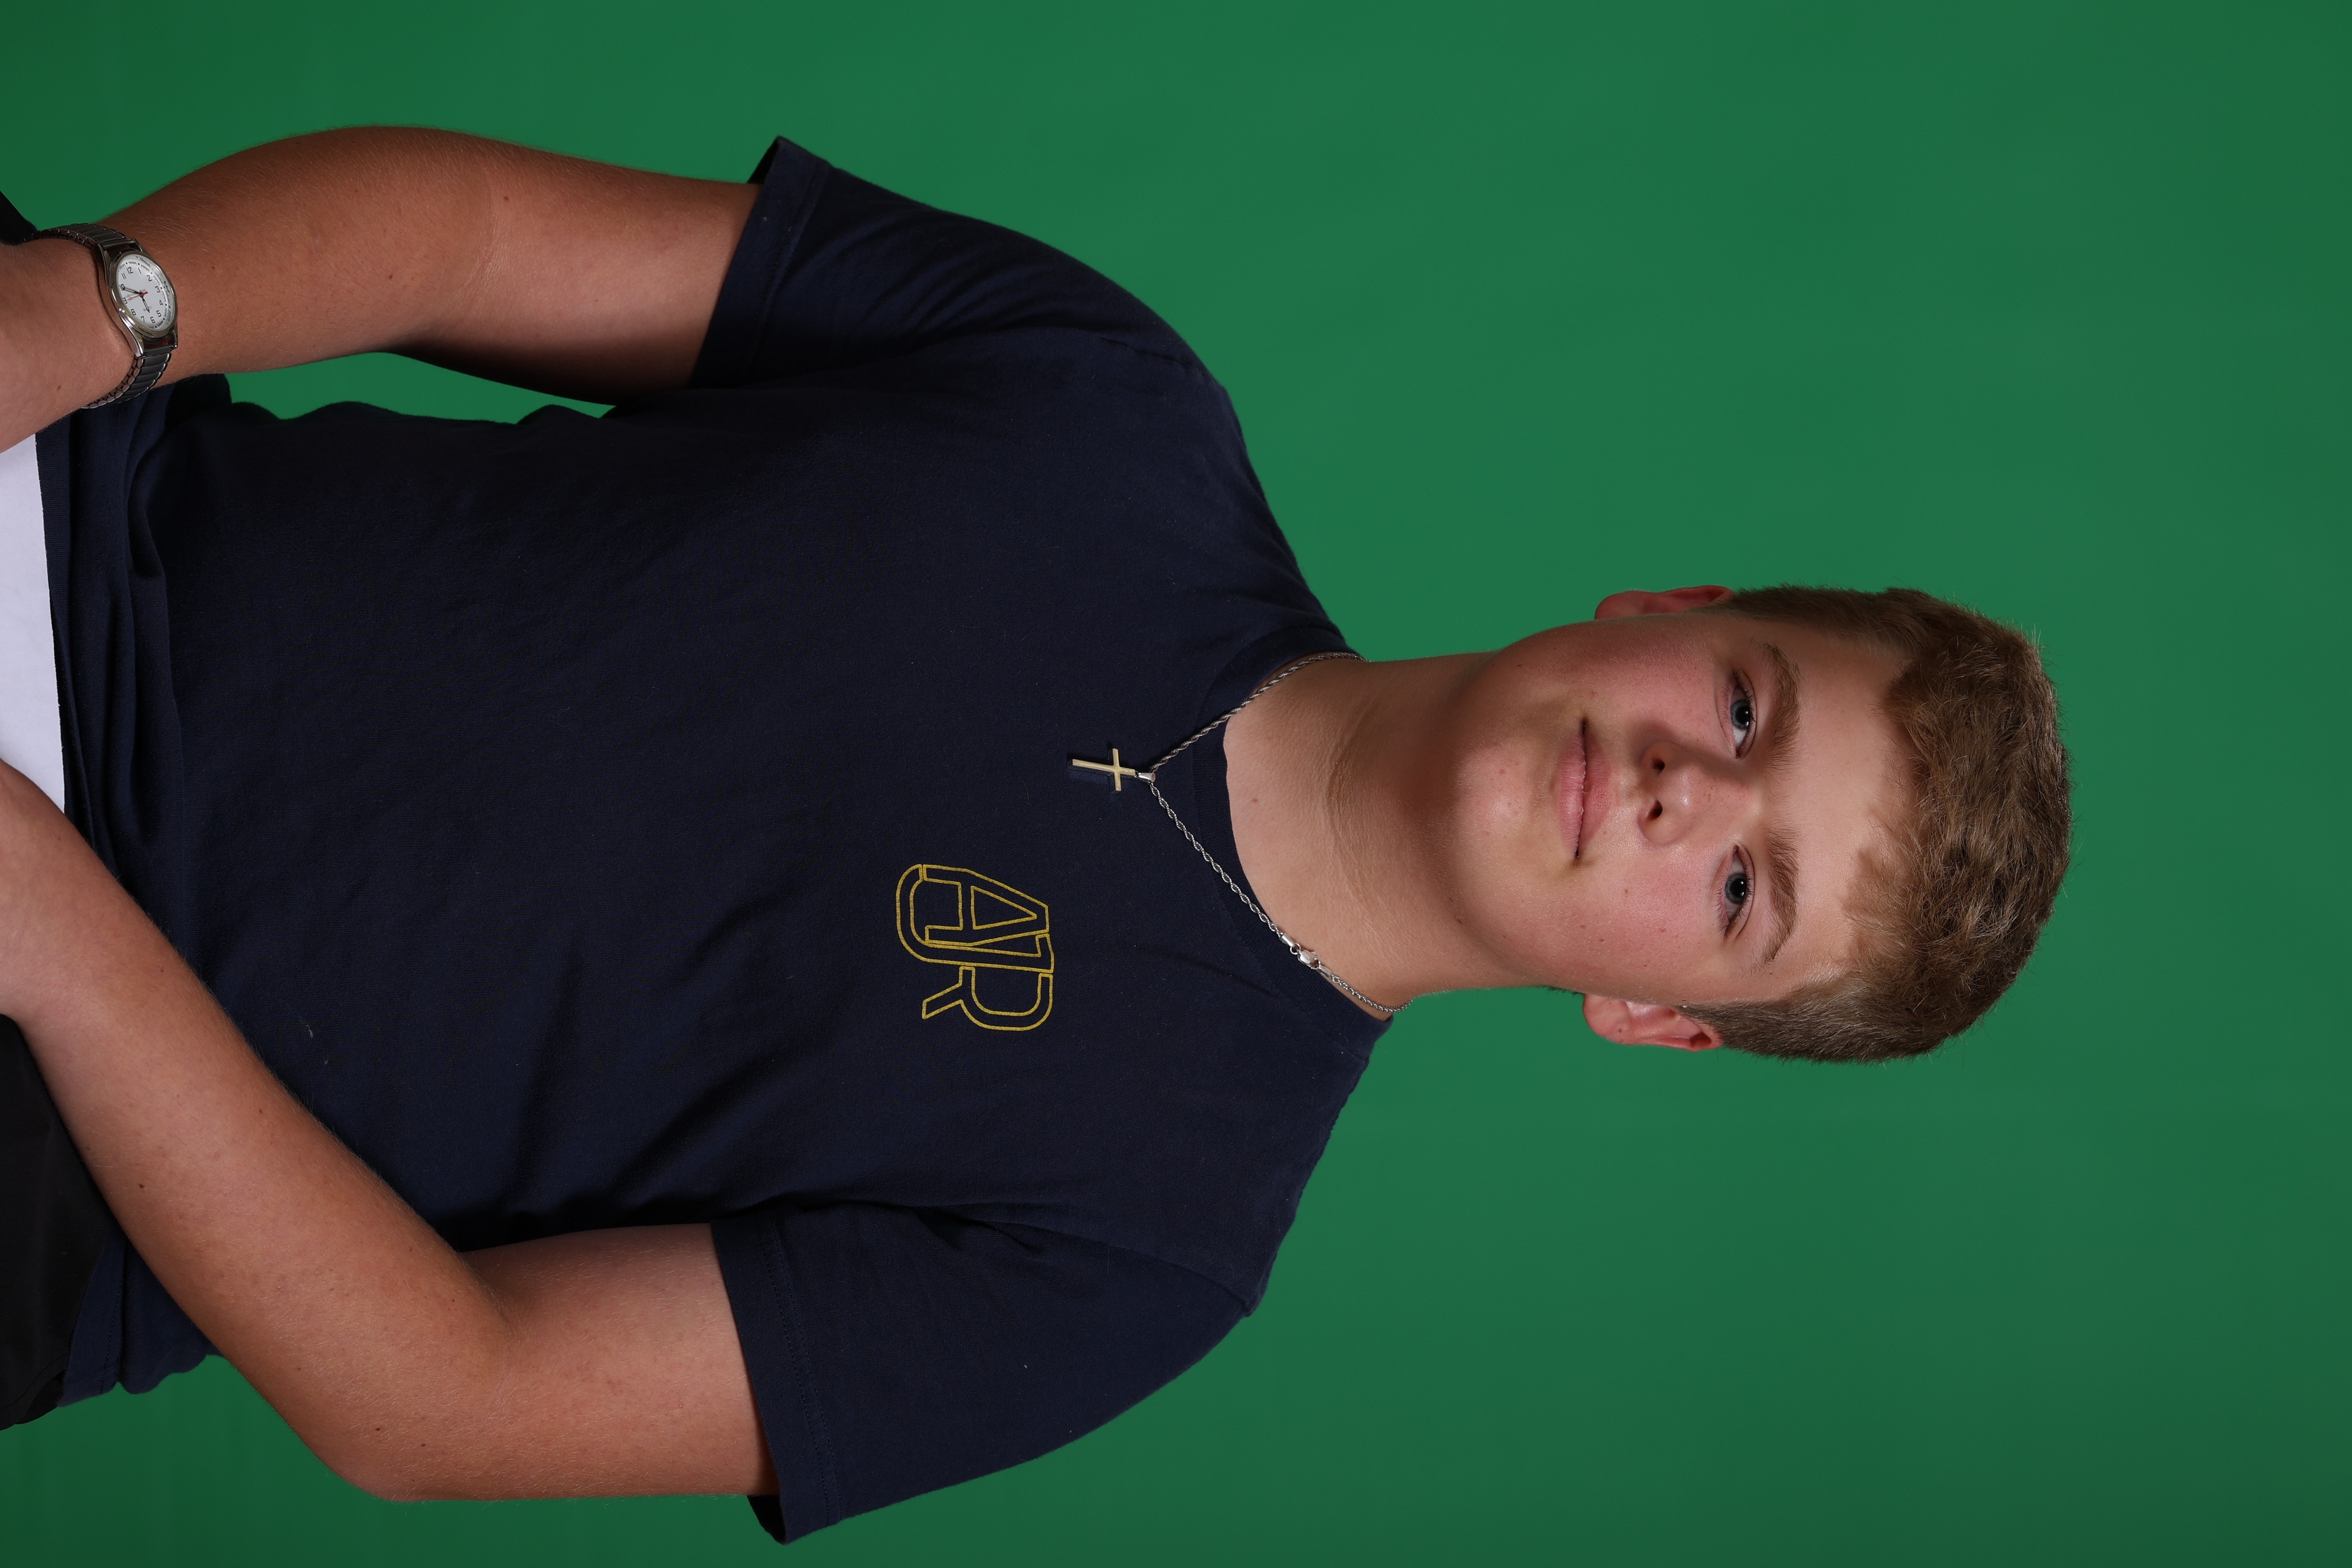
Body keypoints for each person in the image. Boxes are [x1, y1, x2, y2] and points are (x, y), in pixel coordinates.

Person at [0, 129, 2071, 1541]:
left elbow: (449, 1399)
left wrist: (53, 934)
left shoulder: (1141, 1260)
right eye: (1748, 708)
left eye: (1742, 889)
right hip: (54, 471)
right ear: (1668, 608)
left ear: (1658, 1014)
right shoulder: (1105, 401)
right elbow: (464, 231)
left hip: (43, 1122)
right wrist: (85, 315)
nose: (1691, 790)